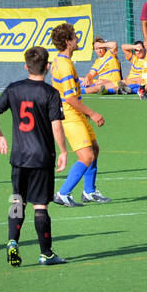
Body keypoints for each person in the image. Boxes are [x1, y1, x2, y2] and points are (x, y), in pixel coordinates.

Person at [0, 46, 70, 266]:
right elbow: (56, 127)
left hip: (19, 157)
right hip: (42, 157)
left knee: (17, 200)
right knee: (40, 205)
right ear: (48, 67)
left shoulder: (13, 88)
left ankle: (12, 242)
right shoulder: (50, 93)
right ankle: (46, 253)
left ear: (26, 66)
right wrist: (63, 151)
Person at [48, 23, 110, 206]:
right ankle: (63, 193)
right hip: (70, 114)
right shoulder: (65, 66)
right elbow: (70, 99)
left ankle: (89, 191)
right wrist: (93, 113)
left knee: (94, 149)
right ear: (68, 42)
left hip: (74, 113)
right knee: (86, 156)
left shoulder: (61, 61)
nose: (77, 39)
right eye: (75, 37)